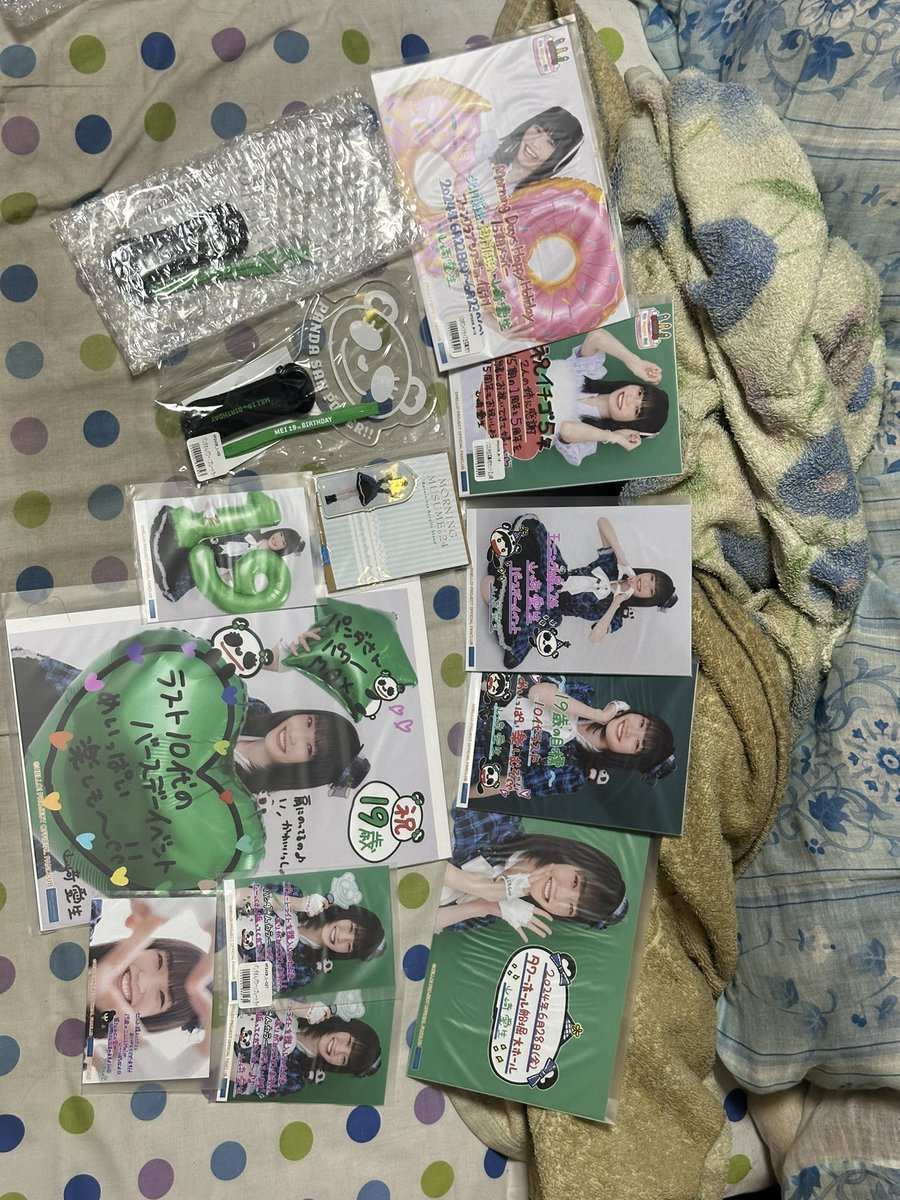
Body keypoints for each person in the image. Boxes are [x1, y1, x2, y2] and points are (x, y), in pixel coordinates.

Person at [11, 629, 367, 803]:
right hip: (88, 711)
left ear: (307, 768)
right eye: (308, 723)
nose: (295, 735)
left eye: (309, 748)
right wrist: (283, 654)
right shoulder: (252, 711)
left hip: (86, 777)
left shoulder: (240, 798)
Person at [472, 676, 676, 799]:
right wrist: (598, 715)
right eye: (642, 724)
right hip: (478, 700)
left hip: (474, 753)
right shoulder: (582, 695)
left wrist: (460, 796)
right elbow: (537, 692)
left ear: (630, 758)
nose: (630, 731)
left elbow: (507, 783)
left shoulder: (573, 774)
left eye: (637, 744)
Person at [436, 808, 628, 938]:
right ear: (573, 858)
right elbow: (421, 848)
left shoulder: (501, 910)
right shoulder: (499, 820)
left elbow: (423, 920)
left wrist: (486, 906)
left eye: (570, 908)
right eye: (575, 883)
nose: (558, 896)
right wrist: (486, 889)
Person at [87, 899, 214, 1047]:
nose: (141, 981)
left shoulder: (78, 1054)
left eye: (161, 997)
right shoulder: (85, 911)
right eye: (159, 961)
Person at [548, 327, 670, 467]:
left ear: (630, 425)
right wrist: (635, 362)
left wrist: (614, 437)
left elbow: (566, 430)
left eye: (636, 410)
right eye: (639, 393)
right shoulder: (587, 372)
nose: (629, 399)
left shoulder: (589, 436)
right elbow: (596, 337)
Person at [233, 883, 386, 989]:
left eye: (349, 946)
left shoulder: (304, 971)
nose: (342, 937)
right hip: (222, 915)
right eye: (351, 928)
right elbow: (238, 896)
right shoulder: (294, 894)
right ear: (347, 915)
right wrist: (298, 904)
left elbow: (252, 985)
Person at [557, 515, 678, 645]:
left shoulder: (616, 616)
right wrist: (621, 557)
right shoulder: (611, 566)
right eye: (651, 578)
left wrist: (616, 603)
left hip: (550, 606)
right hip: (552, 577)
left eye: (651, 590)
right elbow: (602, 521)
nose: (645, 583)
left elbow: (593, 638)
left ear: (648, 599)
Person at [234, 1003, 382, 1096]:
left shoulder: (294, 1078)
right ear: (347, 1028)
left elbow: (237, 1074)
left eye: (344, 1059)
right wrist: (295, 1006)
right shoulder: (305, 1006)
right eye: (348, 1042)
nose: (338, 1050)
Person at [492, 107, 584, 192]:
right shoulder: (487, 149)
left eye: (550, 142)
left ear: (558, 157)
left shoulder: (530, 200)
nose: (535, 144)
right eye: (538, 130)